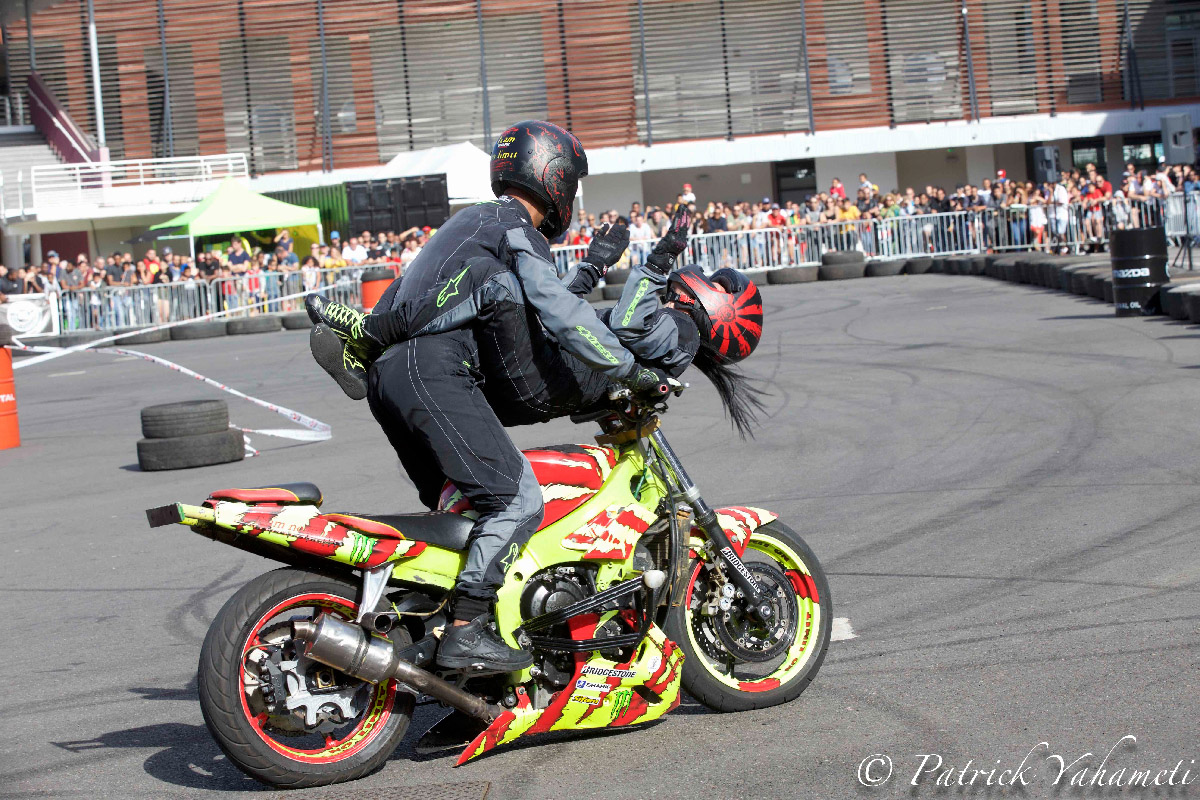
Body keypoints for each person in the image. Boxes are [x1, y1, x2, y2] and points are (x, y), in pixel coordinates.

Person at [305, 120, 709, 673]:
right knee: (518, 502)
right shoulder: (517, 227)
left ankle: (440, 642)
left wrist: (592, 268)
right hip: (439, 375)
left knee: (465, 520)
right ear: (555, 178)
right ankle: (467, 629)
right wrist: (629, 372)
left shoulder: (468, 222)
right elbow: (554, 312)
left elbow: (520, 307)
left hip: (392, 380)